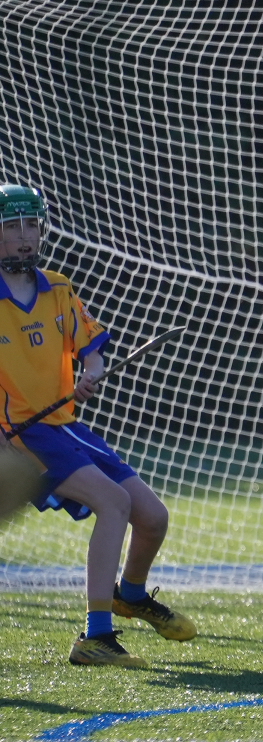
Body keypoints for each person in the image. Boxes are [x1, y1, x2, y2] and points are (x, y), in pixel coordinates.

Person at [0, 185, 196, 667]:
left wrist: (91, 369)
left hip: (67, 427)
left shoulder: (58, 287)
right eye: (11, 228)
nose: (24, 238)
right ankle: (96, 636)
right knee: (115, 503)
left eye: (31, 226)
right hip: (25, 434)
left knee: (153, 517)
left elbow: (90, 343)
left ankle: (129, 595)